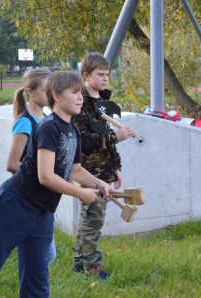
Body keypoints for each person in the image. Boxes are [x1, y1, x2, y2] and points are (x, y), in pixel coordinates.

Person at [0, 71, 117, 298]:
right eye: (74, 93)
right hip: (15, 205)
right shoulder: (48, 127)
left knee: (37, 279)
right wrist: (81, 193)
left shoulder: (73, 131)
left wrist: (100, 184)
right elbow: (45, 176)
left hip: (42, 212)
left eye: (80, 93)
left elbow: (74, 170)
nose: (80, 98)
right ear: (56, 95)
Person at [71, 52, 136, 280]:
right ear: (86, 75)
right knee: (92, 223)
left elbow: (108, 138)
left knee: (86, 220)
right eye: (100, 74)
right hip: (89, 172)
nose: (105, 79)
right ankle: (93, 268)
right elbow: (84, 142)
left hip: (105, 171)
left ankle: (79, 264)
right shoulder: (80, 103)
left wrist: (116, 167)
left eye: (107, 74)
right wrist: (117, 137)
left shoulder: (103, 103)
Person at [5, 68, 57, 267]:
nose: (51, 94)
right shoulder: (25, 123)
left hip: (41, 197)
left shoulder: (46, 119)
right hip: (25, 197)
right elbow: (11, 164)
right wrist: (44, 177)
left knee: (46, 256)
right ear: (30, 92)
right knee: (43, 256)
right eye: (46, 90)